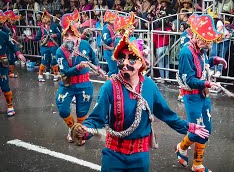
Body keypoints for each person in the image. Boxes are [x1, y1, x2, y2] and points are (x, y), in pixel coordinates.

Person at [71, 30, 209, 172]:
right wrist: (84, 131)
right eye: (121, 59)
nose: (125, 63)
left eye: (131, 59)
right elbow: (96, 118)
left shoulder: (149, 86)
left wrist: (189, 127)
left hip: (140, 156)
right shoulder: (109, 86)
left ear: (140, 63)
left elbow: (167, 115)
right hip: (113, 155)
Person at [175, 13, 227, 172]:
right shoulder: (186, 53)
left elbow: (203, 64)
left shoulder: (200, 49)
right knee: (198, 130)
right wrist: (208, 83)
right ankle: (193, 159)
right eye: (207, 43)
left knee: (207, 130)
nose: (209, 46)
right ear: (197, 38)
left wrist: (215, 59)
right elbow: (189, 80)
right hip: (191, 96)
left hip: (203, 94)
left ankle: (185, 150)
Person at [55, 14, 99, 144]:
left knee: (82, 111)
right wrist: (79, 67)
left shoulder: (84, 44)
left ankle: (79, 133)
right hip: (68, 84)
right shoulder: (60, 51)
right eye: (66, 35)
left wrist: (96, 66)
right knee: (62, 109)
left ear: (77, 34)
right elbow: (65, 71)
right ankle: (72, 128)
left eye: (72, 34)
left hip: (84, 84)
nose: (69, 38)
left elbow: (93, 56)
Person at [0, 10, 26, 117]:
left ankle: (10, 106)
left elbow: (12, 45)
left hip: (1, 63)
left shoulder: (3, 34)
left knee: (4, 85)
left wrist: (19, 54)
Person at [28, 9, 61, 82]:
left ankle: (56, 75)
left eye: (46, 17)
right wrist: (31, 38)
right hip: (44, 47)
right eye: (44, 17)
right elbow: (38, 37)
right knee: (44, 61)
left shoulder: (54, 26)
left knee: (54, 61)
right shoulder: (41, 28)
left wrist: (54, 35)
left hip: (53, 46)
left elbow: (60, 34)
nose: (45, 19)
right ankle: (40, 75)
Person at [4, 10, 21, 78]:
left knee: (12, 59)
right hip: (6, 47)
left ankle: (10, 72)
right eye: (12, 19)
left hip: (11, 46)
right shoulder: (4, 28)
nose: (14, 21)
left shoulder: (11, 27)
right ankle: (6, 73)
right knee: (6, 60)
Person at [101, 10, 118, 77]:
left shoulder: (112, 27)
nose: (114, 21)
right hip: (108, 51)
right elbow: (106, 41)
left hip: (112, 50)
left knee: (115, 70)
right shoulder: (106, 28)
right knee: (112, 70)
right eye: (113, 19)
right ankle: (110, 85)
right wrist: (115, 37)